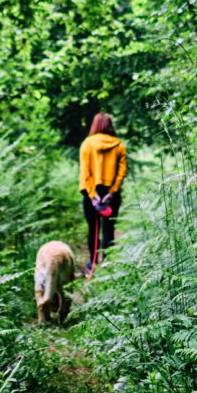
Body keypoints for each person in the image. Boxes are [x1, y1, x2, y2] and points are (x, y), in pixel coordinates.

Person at [79, 113, 126, 275]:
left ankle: (92, 263)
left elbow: (85, 173)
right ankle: (108, 263)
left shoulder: (87, 144)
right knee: (108, 229)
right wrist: (112, 192)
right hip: (110, 194)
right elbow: (122, 171)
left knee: (93, 228)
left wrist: (92, 195)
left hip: (92, 193)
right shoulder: (118, 145)